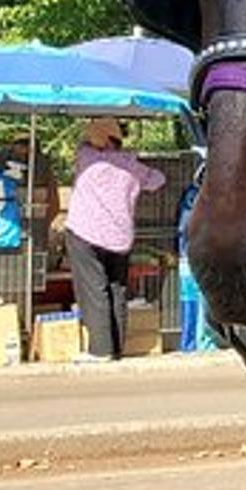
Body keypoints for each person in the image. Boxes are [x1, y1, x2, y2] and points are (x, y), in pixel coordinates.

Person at [65, 117, 166, 361]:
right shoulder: (133, 167)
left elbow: (82, 145)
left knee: (94, 289)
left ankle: (100, 349)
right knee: (117, 290)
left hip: (85, 231)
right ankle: (116, 347)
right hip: (120, 237)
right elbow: (158, 180)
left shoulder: (87, 158)